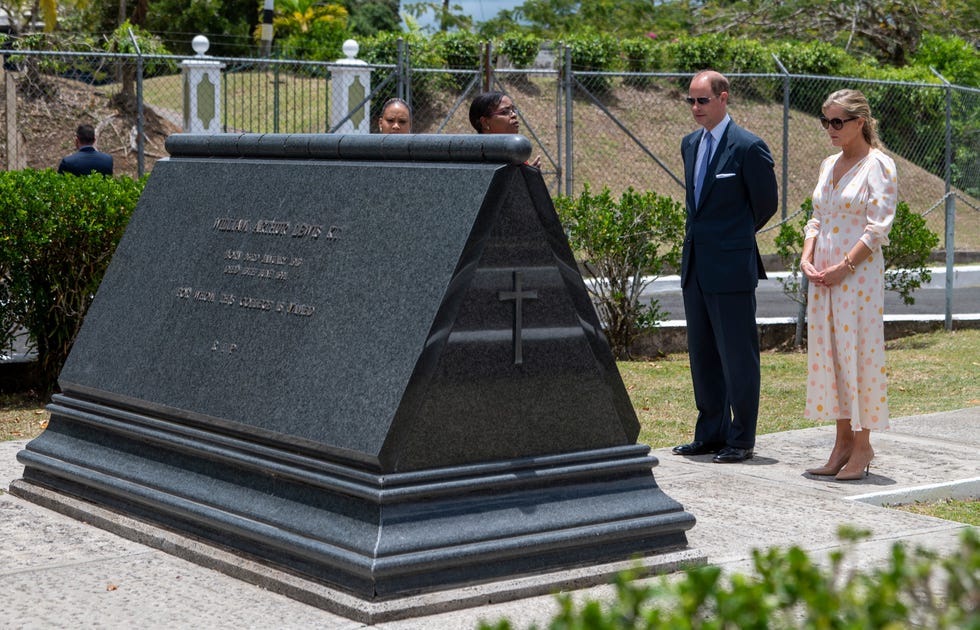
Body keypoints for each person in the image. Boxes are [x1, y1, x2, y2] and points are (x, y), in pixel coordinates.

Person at [672, 70, 778, 464]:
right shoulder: (689, 144)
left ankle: (741, 438)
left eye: (702, 100)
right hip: (696, 266)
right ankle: (710, 433)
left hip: (731, 268)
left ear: (723, 98)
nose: (696, 108)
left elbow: (766, 204)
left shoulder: (748, 147)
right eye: (691, 101)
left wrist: (733, 239)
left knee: (737, 356)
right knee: (703, 355)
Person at [800, 89, 897, 481]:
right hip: (823, 274)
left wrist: (843, 266)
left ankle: (863, 445)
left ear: (860, 122)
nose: (830, 129)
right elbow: (816, 218)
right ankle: (841, 443)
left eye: (838, 122)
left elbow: (877, 229)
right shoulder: (828, 165)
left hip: (857, 277)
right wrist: (807, 256)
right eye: (826, 121)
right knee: (832, 357)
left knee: (858, 355)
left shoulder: (880, 165)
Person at [468, 91, 541, 168]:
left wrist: (528, 174)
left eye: (513, 110)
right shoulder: (476, 159)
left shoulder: (514, 154)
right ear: (485, 122)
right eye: (505, 112)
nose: (514, 115)